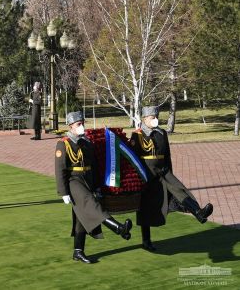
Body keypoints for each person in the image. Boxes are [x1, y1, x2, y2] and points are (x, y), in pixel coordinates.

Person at [130, 106, 213, 252]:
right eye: (152, 117)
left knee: (179, 189)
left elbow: (167, 155)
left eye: (156, 117)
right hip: (146, 173)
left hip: (163, 170)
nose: (155, 119)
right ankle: (146, 240)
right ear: (144, 119)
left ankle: (198, 212)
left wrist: (171, 172)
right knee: (146, 207)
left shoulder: (161, 133)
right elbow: (133, 158)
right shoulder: (137, 135)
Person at [55, 111, 133, 264]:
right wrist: (63, 192)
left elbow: (94, 166)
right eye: (78, 124)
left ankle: (78, 251)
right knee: (92, 204)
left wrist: (97, 186)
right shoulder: (63, 143)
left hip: (88, 180)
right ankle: (119, 228)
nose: (81, 126)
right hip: (74, 181)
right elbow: (60, 169)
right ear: (71, 126)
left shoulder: (87, 142)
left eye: (82, 123)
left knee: (81, 218)